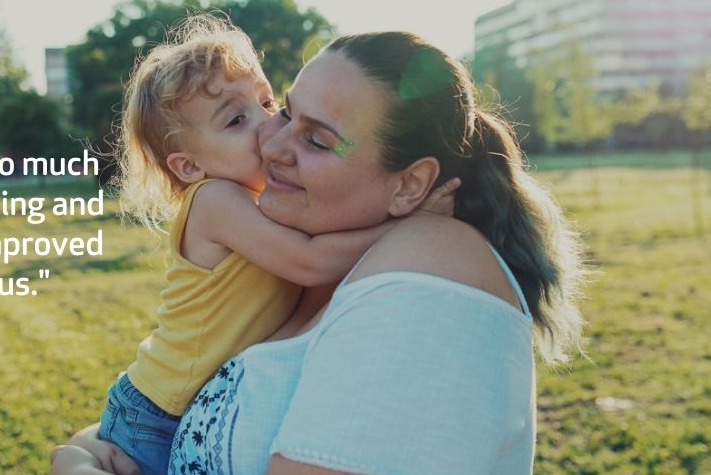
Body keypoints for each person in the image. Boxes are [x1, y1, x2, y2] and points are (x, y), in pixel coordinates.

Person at [54, 30, 585, 474]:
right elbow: (188, 396)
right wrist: (80, 453)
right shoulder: (290, 243)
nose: (272, 140)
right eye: (288, 112)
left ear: (410, 185)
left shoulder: (431, 268)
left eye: (317, 140)